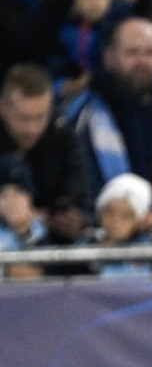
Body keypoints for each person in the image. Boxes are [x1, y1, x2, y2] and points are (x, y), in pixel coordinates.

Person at [61, 17, 152, 195]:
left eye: (151, 53)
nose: (142, 62)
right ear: (109, 58)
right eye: (132, 53)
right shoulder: (84, 111)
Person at [0, 63, 90, 244]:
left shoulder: (62, 134)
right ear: (2, 106)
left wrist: (77, 220)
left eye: (40, 117)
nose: (32, 129)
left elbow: (81, 196)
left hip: (52, 242)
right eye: (24, 118)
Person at [80, 172, 152, 276]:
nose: (115, 220)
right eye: (109, 212)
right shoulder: (84, 246)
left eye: (126, 215)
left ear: (141, 221)